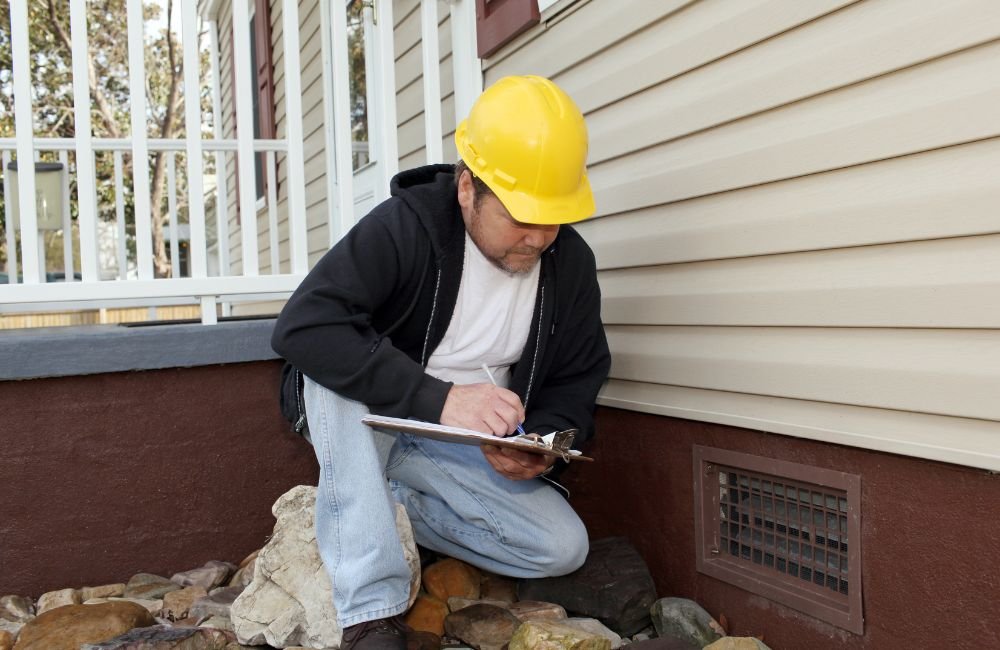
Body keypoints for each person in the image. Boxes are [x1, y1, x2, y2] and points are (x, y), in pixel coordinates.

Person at [271, 75, 611, 650]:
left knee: (560, 548)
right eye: (521, 216)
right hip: (371, 418)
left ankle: (378, 508)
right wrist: (443, 400)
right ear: (467, 189)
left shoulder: (570, 263)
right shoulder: (406, 227)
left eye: (552, 218)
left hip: (455, 446)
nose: (538, 238)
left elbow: (578, 374)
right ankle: (370, 614)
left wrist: (542, 442)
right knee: (330, 373)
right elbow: (305, 325)